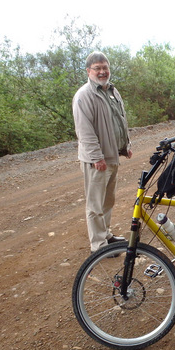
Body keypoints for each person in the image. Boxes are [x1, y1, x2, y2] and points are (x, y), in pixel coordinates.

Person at [72, 51, 133, 254]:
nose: (102, 71)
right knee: (95, 204)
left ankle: (106, 235)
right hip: (97, 160)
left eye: (105, 67)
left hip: (112, 154)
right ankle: (98, 246)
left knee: (108, 200)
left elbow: (120, 120)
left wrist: (126, 146)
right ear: (88, 71)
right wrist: (96, 157)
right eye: (97, 68)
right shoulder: (84, 95)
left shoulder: (112, 91)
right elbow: (84, 130)